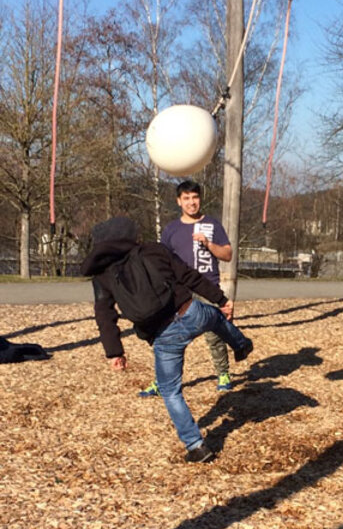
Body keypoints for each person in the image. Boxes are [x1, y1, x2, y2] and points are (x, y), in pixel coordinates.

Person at [81, 216, 253, 463]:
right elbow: (189, 276)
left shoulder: (102, 277)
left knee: (171, 391)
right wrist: (221, 299)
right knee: (214, 317)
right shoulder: (153, 250)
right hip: (190, 312)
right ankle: (241, 344)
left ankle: (196, 446)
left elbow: (104, 315)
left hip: (163, 336)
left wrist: (115, 352)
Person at [139, 179, 234, 397]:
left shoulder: (212, 225)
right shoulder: (171, 229)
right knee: (168, 336)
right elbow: (161, 260)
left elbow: (228, 254)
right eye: (187, 198)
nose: (192, 202)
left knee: (214, 335)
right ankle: (161, 380)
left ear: (200, 199)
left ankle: (223, 374)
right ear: (179, 201)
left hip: (208, 288)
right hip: (179, 291)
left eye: (195, 197)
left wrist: (209, 244)